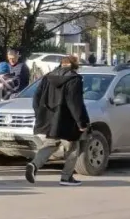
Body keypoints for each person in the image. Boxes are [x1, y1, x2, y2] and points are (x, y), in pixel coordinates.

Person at [26, 55, 90, 186]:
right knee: (72, 148)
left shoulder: (48, 77)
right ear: (74, 65)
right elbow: (75, 102)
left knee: (49, 145)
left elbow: (36, 97)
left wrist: (40, 114)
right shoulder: (74, 79)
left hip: (50, 120)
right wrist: (81, 122)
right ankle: (66, 177)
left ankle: (34, 164)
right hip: (68, 120)